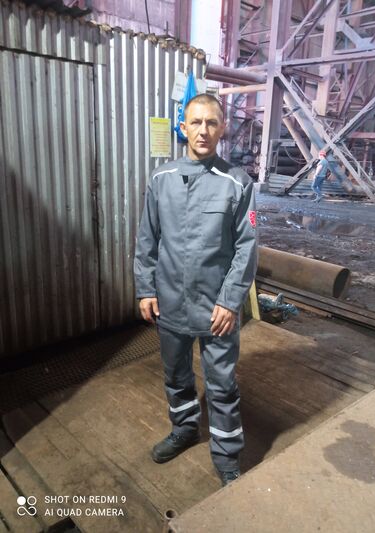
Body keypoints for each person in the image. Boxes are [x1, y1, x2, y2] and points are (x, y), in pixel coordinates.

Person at [134, 93, 257, 486]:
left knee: (221, 384)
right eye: (196, 122)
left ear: (223, 128)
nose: (203, 130)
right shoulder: (161, 179)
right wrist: (145, 289)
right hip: (170, 302)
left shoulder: (237, 183)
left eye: (212, 123)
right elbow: (147, 238)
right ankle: (184, 429)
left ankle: (226, 456)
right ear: (183, 127)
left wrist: (230, 301)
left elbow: (247, 247)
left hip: (216, 308)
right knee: (176, 375)